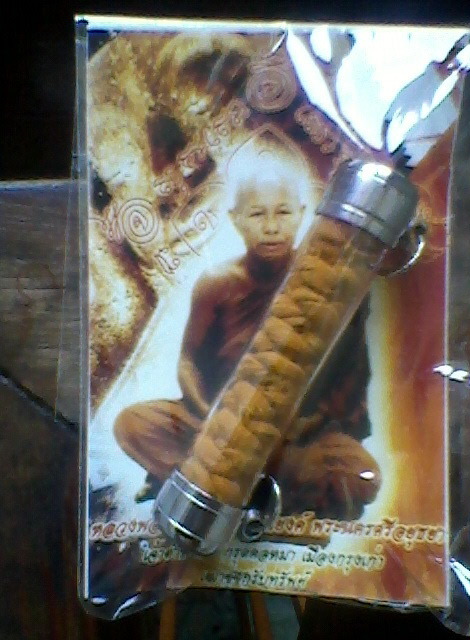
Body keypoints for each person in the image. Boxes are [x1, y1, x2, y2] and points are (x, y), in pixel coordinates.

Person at [114, 150, 380, 519]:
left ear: (303, 214)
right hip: (219, 432)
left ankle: (221, 488)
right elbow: (189, 361)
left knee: (361, 476)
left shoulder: (327, 278)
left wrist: (298, 428)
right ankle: (264, 492)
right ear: (236, 219)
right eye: (257, 214)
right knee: (132, 424)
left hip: (301, 438)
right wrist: (211, 419)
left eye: (283, 213)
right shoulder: (217, 284)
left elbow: (349, 375)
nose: (271, 227)